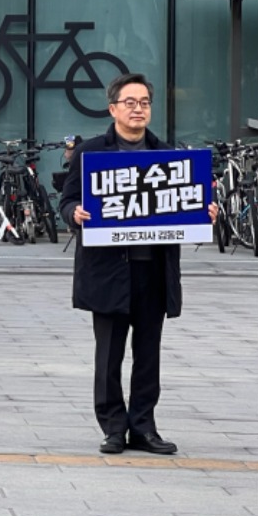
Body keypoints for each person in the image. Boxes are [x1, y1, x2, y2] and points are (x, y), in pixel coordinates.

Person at [60, 73, 218, 456]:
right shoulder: (91, 154)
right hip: (109, 271)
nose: (138, 109)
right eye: (130, 102)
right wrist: (74, 214)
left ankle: (144, 427)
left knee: (148, 356)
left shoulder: (170, 156)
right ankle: (113, 427)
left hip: (153, 272)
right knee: (109, 356)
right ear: (113, 108)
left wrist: (205, 213)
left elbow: (188, 210)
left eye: (144, 102)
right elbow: (66, 201)